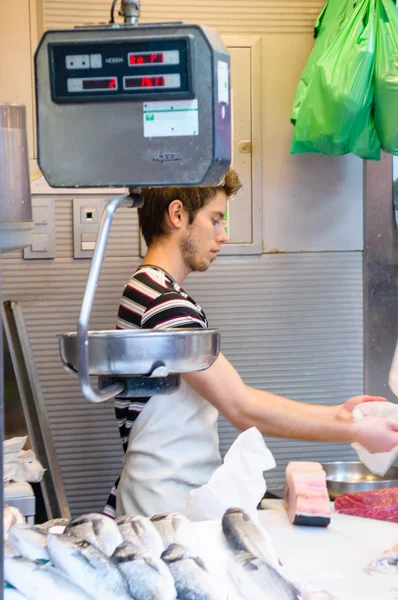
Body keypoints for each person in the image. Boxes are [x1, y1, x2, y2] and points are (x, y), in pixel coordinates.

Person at [104, 167, 397, 519]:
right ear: (178, 215)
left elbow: (239, 397)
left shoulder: (148, 289)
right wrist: (354, 430)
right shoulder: (163, 304)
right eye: (215, 220)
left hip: (169, 494)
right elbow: (242, 407)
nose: (223, 235)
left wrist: (339, 413)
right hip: (165, 506)